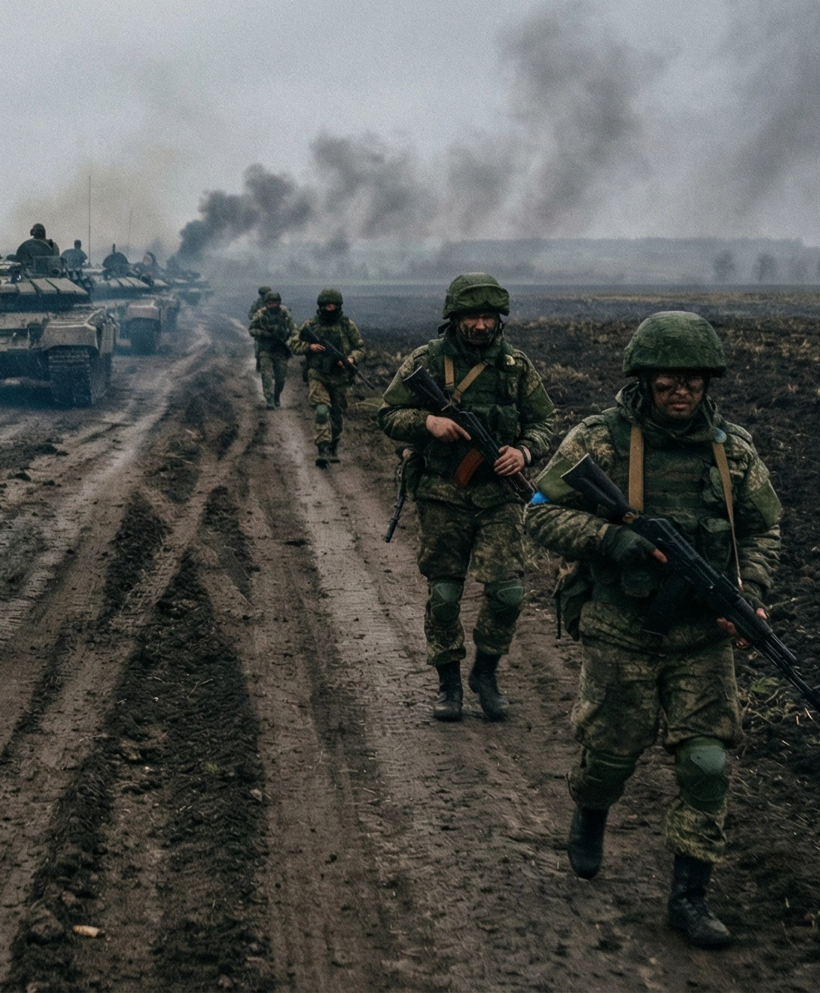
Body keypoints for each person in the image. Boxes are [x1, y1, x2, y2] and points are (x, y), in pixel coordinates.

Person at [525, 311, 783, 950]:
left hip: (701, 639)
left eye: (693, 380)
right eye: (669, 379)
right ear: (644, 378)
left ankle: (690, 897)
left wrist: (747, 589)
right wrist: (612, 539)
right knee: (610, 759)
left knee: (707, 762)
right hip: (620, 630)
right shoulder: (599, 441)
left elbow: (762, 529)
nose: (681, 390)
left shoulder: (732, 450)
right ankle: (590, 813)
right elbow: (539, 512)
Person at [375, 274, 555, 722]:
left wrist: (524, 450)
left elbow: (544, 423)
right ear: (454, 318)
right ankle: (449, 684)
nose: (480, 325)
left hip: (499, 498)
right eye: (471, 317)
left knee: (509, 593)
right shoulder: (427, 361)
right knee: (444, 595)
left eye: (488, 317)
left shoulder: (516, 367)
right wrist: (427, 423)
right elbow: (387, 413)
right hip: (442, 495)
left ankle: (486, 674)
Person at [299, 288, 365, 468]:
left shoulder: (346, 325)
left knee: (337, 415)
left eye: (333, 305)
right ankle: (323, 449)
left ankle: (333, 443)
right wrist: (309, 347)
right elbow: (294, 343)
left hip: (340, 378)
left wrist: (351, 359)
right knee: (321, 411)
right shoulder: (311, 324)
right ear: (321, 307)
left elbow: (360, 348)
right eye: (327, 306)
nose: (330, 308)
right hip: (317, 374)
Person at [247, 291, 296, 408]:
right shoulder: (260, 314)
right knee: (266, 375)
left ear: (278, 303)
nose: (272, 305)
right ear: (266, 304)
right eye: (269, 303)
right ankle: (269, 399)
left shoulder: (285, 313)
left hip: (280, 350)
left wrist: (290, 342)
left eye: (274, 303)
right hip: (265, 350)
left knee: (280, 378)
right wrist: (263, 334)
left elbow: (294, 330)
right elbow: (251, 330)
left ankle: (276, 395)